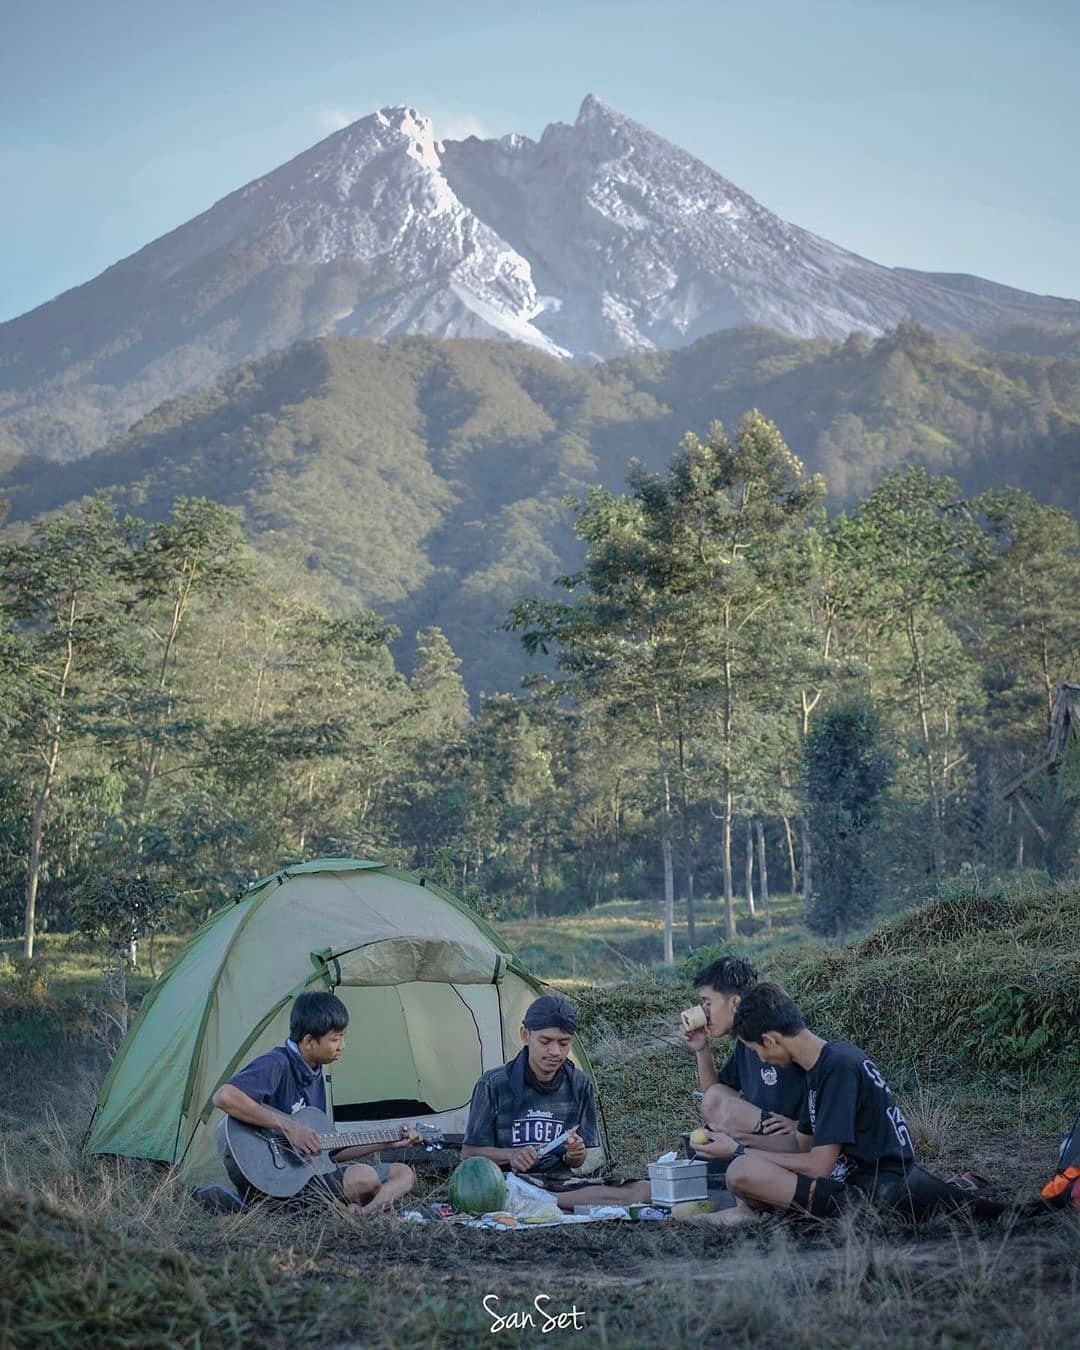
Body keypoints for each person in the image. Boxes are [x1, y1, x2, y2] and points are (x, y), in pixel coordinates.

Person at [704, 983, 1001, 1226]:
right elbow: (800, 1142)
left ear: (770, 1040)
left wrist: (739, 1152)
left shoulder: (838, 1067)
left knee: (742, 1172)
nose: (762, 1059)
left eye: (756, 1050)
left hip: (876, 1193)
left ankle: (808, 1216)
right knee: (743, 1167)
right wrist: (740, 1140)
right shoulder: (819, 1065)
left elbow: (818, 1166)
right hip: (862, 1182)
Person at [213, 990, 419, 1214]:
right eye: (335, 1039)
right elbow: (225, 1096)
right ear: (309, 1041)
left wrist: (389, 1141)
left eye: (342, 1037)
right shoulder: (278, 1062)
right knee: (365, 1179)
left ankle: (360, 1214)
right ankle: (322, 1209)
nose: (342, 1045)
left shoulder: (315, 1073)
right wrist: (290, 1127)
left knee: (404, 1173)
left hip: (308, 1174)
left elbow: (327, 1151)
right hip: (278, 1176)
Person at [461, 994, 650, 1211]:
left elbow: (578, 1163)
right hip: (510, 1181)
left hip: (563, 1184)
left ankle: (543, 1201)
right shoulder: (492, 1085)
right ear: (525, 1035)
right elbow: (468, 1153)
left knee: (644, 1189)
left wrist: (575, 1155)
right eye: (545, 1041)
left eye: (564, 1042)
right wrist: (511, 1155)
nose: (555, 1052)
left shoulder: (580, 1084)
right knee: (505, 1191)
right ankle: (543, 1201)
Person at [681, 956, 806, 1164]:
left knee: (732, 1110)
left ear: (734, 1003)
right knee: (715, 1098)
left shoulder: (773, 1036)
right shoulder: (744, 1045)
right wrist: (702, 1049)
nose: (704, 1011)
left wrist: (802, 1127)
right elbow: (713, 1097)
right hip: (768, 1137)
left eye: (707, 1002)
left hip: (797, 1141)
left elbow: (821, 1083)